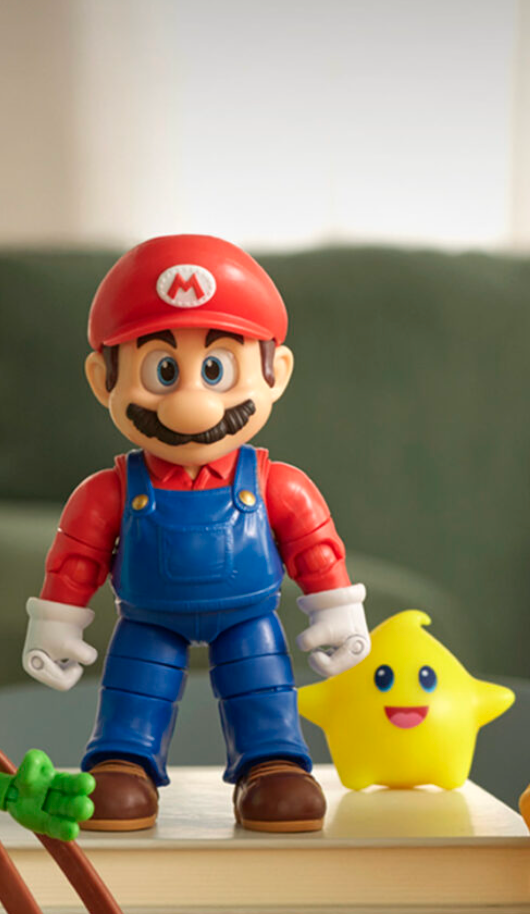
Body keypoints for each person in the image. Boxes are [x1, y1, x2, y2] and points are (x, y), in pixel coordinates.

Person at [22, 235, 370, 832]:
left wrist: (337, 610)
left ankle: (273, 765)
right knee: (133, 696)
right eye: (162, 371)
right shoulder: (108, 492)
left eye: (216, 370)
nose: (191, 404)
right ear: (102, 379)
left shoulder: (278, 486)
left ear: (276, 373)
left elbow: (315, 550)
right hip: (147, 621)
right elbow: (76, 561)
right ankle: (123, 763)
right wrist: (56, 623)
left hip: (248, 620)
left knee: (262, 692)